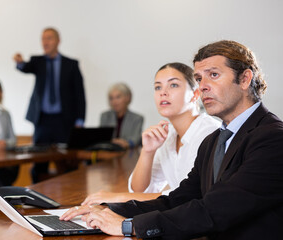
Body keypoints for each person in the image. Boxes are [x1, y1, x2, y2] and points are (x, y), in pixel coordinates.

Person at [61, 40, 283, 239]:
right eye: (199, 78)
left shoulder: (273, 137)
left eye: (213, 75)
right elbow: (179, 199)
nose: (203, 85)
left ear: (244, 79)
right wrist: (109, 210)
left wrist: (129, 226)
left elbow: (216, 208)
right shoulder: (214, 141)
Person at [83, 63, 220, 205]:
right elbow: (140, 192)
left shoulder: (209, 133)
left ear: (195, 94)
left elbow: (189, 196)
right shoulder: (168, 135)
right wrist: (148, 151)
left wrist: (117, 197)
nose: (163, 92)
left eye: (173, 85)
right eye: (158, 87)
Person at [13, 27, 86, 182]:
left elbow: (80, 94)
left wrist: (79, 120)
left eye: (49, 38)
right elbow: (25, 67)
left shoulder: (71, 64)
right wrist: (19, 62)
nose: (45, 42)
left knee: (68, 163)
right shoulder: (37, 61)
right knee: (39, 164)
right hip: (43, 121)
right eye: (43, 38)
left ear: (58, 41)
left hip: (64, 121)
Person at [99, 83, 144, 149]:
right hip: (108, 153)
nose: (114, 101)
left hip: (129, 154)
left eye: (118, 97)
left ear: (127, 98)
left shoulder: (137, 118)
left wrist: (127, 143)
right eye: (111, 98)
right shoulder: (105, 116)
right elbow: (101, 138)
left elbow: (135, 140)